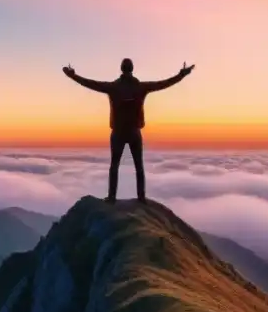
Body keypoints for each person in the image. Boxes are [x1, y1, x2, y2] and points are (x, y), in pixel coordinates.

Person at [63, 58, 195, 204]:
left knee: (114, 165)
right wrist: (181, 75)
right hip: (134, 131)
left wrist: (72, 76)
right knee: (139, 165)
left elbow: (90, 83)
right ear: (132, 69)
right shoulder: (140, 87)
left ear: (122, 69)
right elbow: (164, 84)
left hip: (118, 131)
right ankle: (141, 197)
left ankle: (112, 197)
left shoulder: (113, 87)